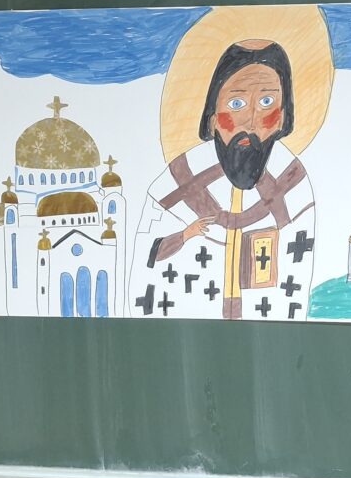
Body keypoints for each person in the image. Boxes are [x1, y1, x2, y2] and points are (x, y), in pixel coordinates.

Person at [129, 39, 316, 322]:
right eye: (236, 103)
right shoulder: (180, 176)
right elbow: (147, 256)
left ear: (282, 118)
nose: (250, 121)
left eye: (266, 102)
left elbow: (296, 274)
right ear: (213, 118)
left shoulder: (292, 180)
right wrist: (184, 236)